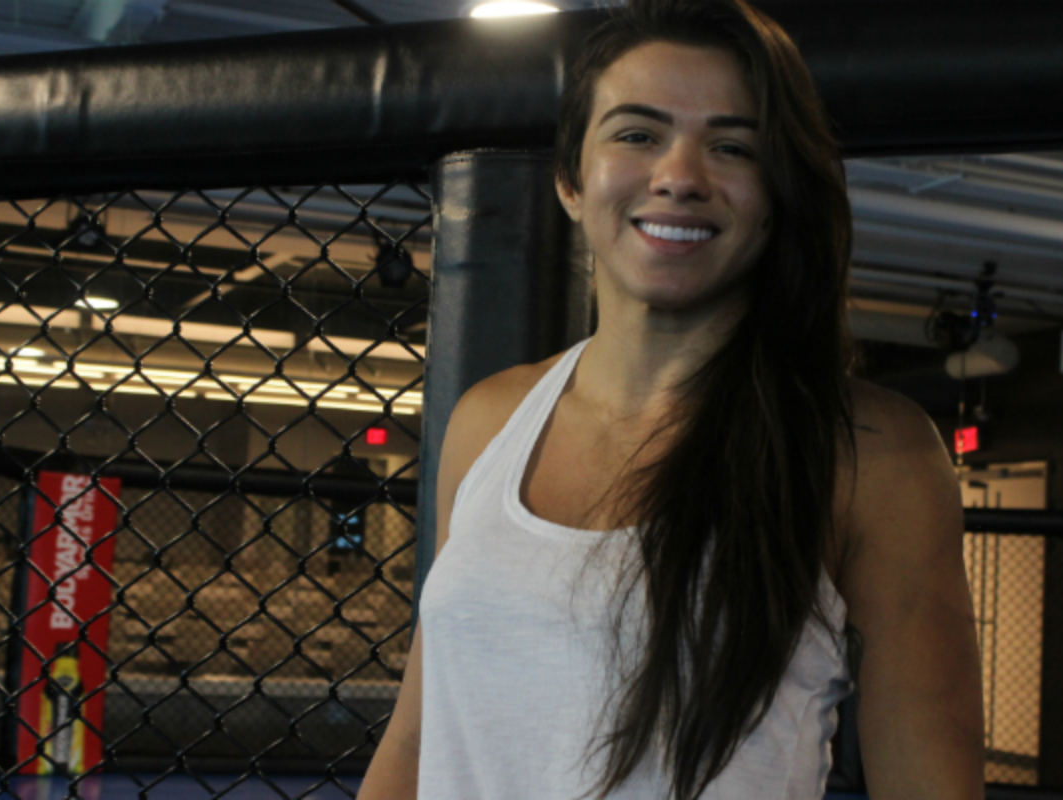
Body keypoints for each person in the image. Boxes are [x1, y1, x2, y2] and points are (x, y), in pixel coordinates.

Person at [358, 0, 985, 798]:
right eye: (637, 135)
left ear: (776, 193)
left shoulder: (869, 452)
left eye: (732, 147)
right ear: (570, 180)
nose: (680, 177)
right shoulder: (491, 418)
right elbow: (417, 740)